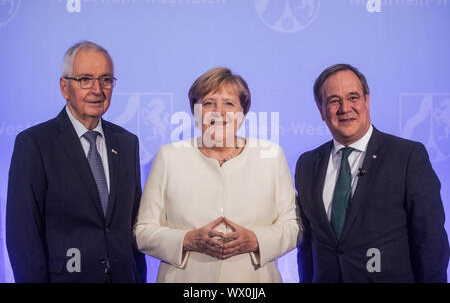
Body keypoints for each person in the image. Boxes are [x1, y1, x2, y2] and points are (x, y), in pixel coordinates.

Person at [134, 67, 300, 282]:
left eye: (229, 103)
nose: (218, 112)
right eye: (208, 103)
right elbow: (144, 232)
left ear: (243, 112)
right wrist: (187, 240)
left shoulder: (271, 156)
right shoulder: (169, 156)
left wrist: (256, 240)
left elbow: (293, 226)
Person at [6, 41, 147, 283]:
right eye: (85, 79)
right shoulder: (34, 144)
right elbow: (23, 237)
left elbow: (133, 228)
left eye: (106, 79)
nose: (97, 89)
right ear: (64, 87)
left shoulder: (127, 143)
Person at [295, 63, 449, 282]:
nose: (344, 108)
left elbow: (430, 241)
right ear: (321, 110)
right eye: (333, 100)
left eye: (353, 97)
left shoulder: (407, 156)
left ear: (367, 101)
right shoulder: (307, 164)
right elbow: (307, 247)